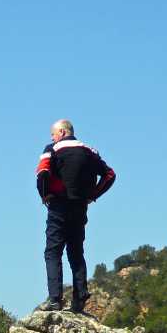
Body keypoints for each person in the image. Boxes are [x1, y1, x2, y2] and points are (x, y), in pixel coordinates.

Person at [35, 119, 116, 312]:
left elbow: (42, 173)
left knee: (53, 252)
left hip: (58, 206)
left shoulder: (52, 149)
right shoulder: (90, 151)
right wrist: (92, 195)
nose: (52, 138)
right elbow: (110, 175)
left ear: (62, 132)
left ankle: (55, 299)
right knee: (76, 252)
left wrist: (45, 195)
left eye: (53, 134)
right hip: (80, 207)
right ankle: (79, 298)